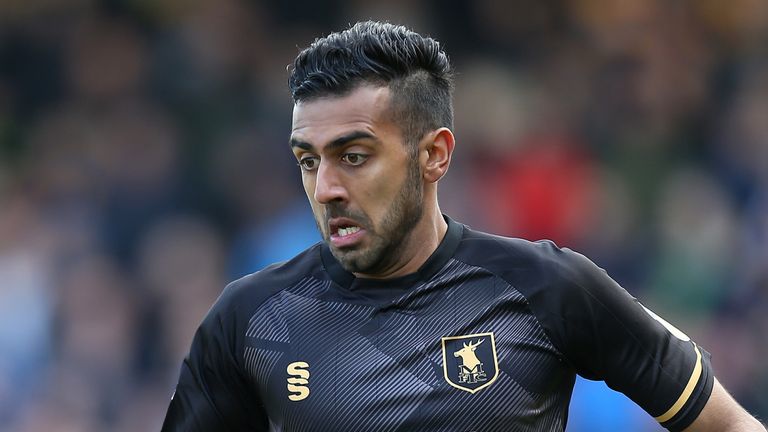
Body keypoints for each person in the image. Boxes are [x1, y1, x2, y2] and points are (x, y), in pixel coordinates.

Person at [162, 21, 765, 431]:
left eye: (353, 156)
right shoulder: (249, 321)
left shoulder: (548, 288)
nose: (326, 189)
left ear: (435, 156)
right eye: (308, 161)